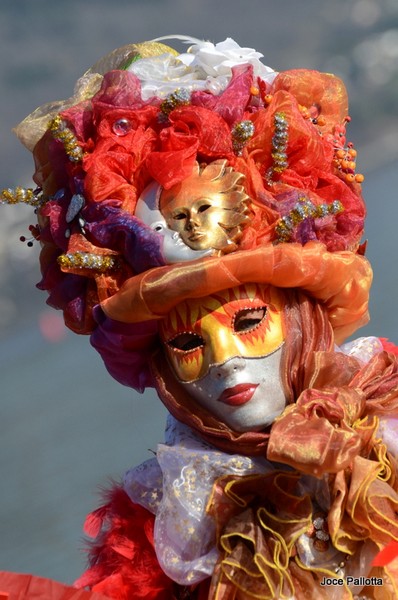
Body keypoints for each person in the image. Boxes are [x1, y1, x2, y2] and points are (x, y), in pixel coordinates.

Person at [1, 36, 398, 599]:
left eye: (248, 319)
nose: (226, 360)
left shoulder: (388, 426)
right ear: (163, 366)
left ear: (300, 317)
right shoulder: (178, 536)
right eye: (188, 341)